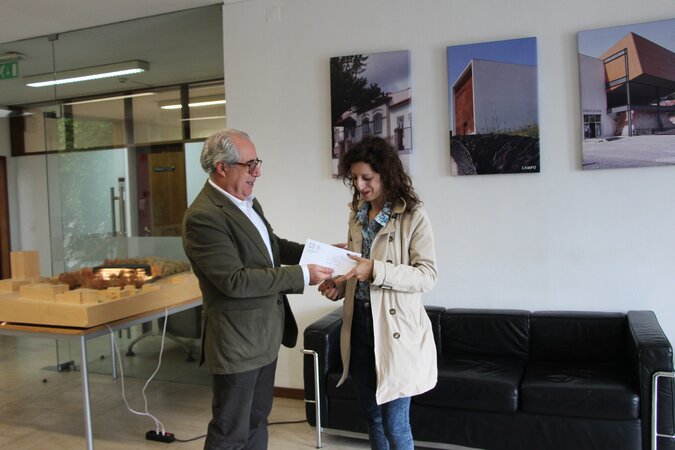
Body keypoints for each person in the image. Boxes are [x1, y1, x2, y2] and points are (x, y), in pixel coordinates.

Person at [182, 128, 333, 450]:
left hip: (264, 336)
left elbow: (272, 246)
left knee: (257, 420)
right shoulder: (203, 217)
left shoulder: (246, 202)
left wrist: (322, 254)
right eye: (249, 164)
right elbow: (234, 280)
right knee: (230, 431)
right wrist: (302, 275)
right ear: (221, 168)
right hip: (236, 343)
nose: (258, 172)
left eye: (257, 163)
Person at [318, 135, 438, 450]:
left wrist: (376, 270)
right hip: (358, 326)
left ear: (386, 174)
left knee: (395, 425)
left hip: (395, 330)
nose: (360, 185)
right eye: (355, 178)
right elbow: (356, 266)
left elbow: (427, 276)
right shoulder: (357, 213)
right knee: (371, 418)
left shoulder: (413, 215)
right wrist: (338, 286)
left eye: (367, 178)